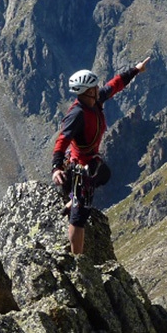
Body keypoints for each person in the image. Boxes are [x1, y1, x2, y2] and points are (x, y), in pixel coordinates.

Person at [51, 57, 150, 254]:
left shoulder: (94, 101)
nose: (99, 88)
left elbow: (115, 85)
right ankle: (77, 257)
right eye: (95, 86)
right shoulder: (77, 114)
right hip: (79, 167)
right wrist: (56, 167)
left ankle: (72, 198)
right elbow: (62, 139)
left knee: (104, 174)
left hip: (91, 161)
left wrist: (136, 70)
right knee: (80, 217)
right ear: (87, 91)